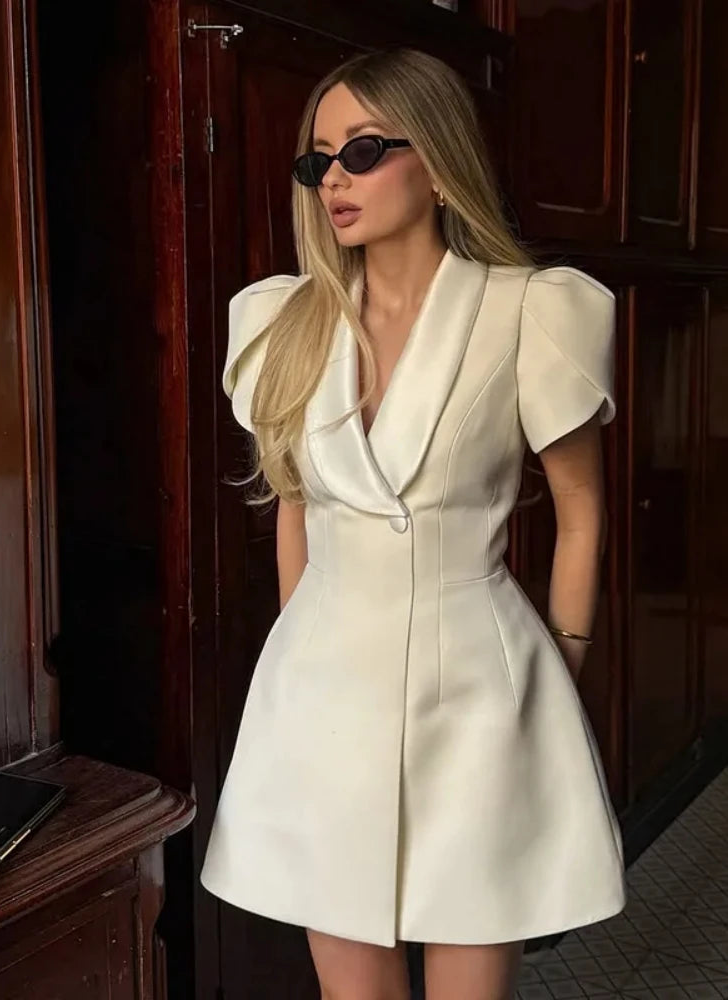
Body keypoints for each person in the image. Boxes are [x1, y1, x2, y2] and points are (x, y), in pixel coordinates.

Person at [200, 47, 627, 1000]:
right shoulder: (286, 323)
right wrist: (299, 652)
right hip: (322, 704)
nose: (333, 181)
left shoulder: (529, 311)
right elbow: (295, 510)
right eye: (317, 161)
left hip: (479, 696)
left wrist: (562, 665)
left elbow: (581, 511)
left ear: (433, 159)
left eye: (362, 150)